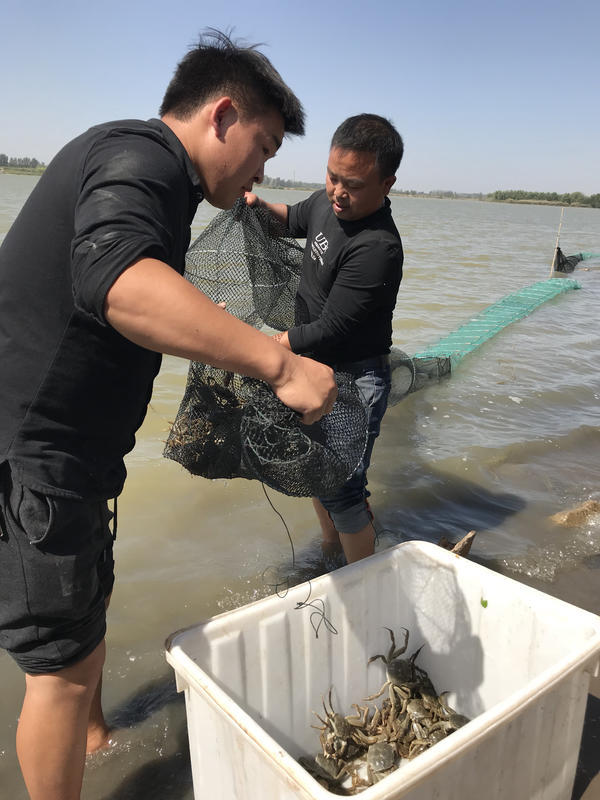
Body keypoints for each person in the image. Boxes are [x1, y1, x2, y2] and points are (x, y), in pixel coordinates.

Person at [0, 30, 337, 800]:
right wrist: (278, 363)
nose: (263, 168)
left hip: (72, 464)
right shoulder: (141, 156)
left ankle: (98, 744)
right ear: (222, 114)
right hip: (32, 459)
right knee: (56, 671)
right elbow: (116, 280)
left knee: (83, 630)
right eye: (264, 145)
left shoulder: (160, 177)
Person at [245, 113, 404, 565]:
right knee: (317, 472)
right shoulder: (326, 203)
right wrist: (255, 207)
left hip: (356, 380)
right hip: (314, 368)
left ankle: (364, 579)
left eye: (352, 184)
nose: (338, 192)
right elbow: (291, 218)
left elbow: (331, 327)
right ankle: (330, 552)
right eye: (332, 177)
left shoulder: (377, 247)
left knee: (344, 488)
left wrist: (263, 348)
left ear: (387, 184)